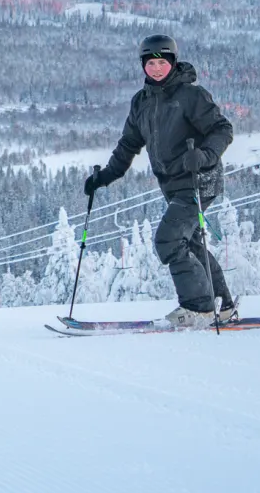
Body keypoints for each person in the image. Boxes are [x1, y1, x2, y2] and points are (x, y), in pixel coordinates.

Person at [84, 34, 238, 328]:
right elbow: (128, 145)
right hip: (172, 185)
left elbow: (222, 129)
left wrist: (204, 155)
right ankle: (222, 304)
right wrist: (104, 177)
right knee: (189, 243)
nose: (156, 68)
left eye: (162, 62)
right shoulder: (142, 102)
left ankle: (199, 308)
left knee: (168, 240)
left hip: (198, 180)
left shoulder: (191, 96)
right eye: (151, 63)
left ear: (173, 63)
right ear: (143, 65)